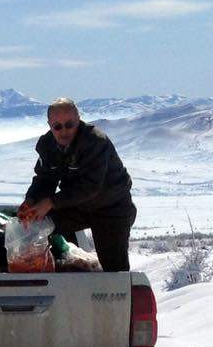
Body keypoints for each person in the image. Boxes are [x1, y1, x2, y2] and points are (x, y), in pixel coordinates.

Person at [17, 97, 136, 272]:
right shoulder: (47, 145)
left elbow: (90, 187)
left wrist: (50, 202)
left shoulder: (95, 141)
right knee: (40, 225)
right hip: (77, 205)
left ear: (78, 120)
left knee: (114, 270)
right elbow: (44, 179)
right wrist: (31, 201)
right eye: (57, 126)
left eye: (69, 125)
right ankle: (60, 272)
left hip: (111, 208)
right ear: (50, 125)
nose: (64, 131)